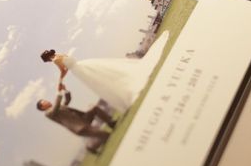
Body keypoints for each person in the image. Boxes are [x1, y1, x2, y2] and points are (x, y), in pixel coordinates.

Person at [40, 31, 169, 112]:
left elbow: (63, 70)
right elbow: (68, 63)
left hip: (78, 70)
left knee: (99, 81)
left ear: (47, 59)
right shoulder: (60, 54)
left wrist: (60, 81)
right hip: (82, 64)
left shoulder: (56, 60)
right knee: (104, 73)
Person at [36, 84, 115, 141]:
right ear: (43, 107)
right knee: (105, 135)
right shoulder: (48, 113)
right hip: (80, 127)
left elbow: (67, 100)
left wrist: (65, 90)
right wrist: (59, 92)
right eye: (45, 102)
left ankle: (111, 123)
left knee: (94, 108)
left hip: (83, 118)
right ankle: (93, 146)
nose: (47, 101)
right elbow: (56, 107)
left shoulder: (59, 107)